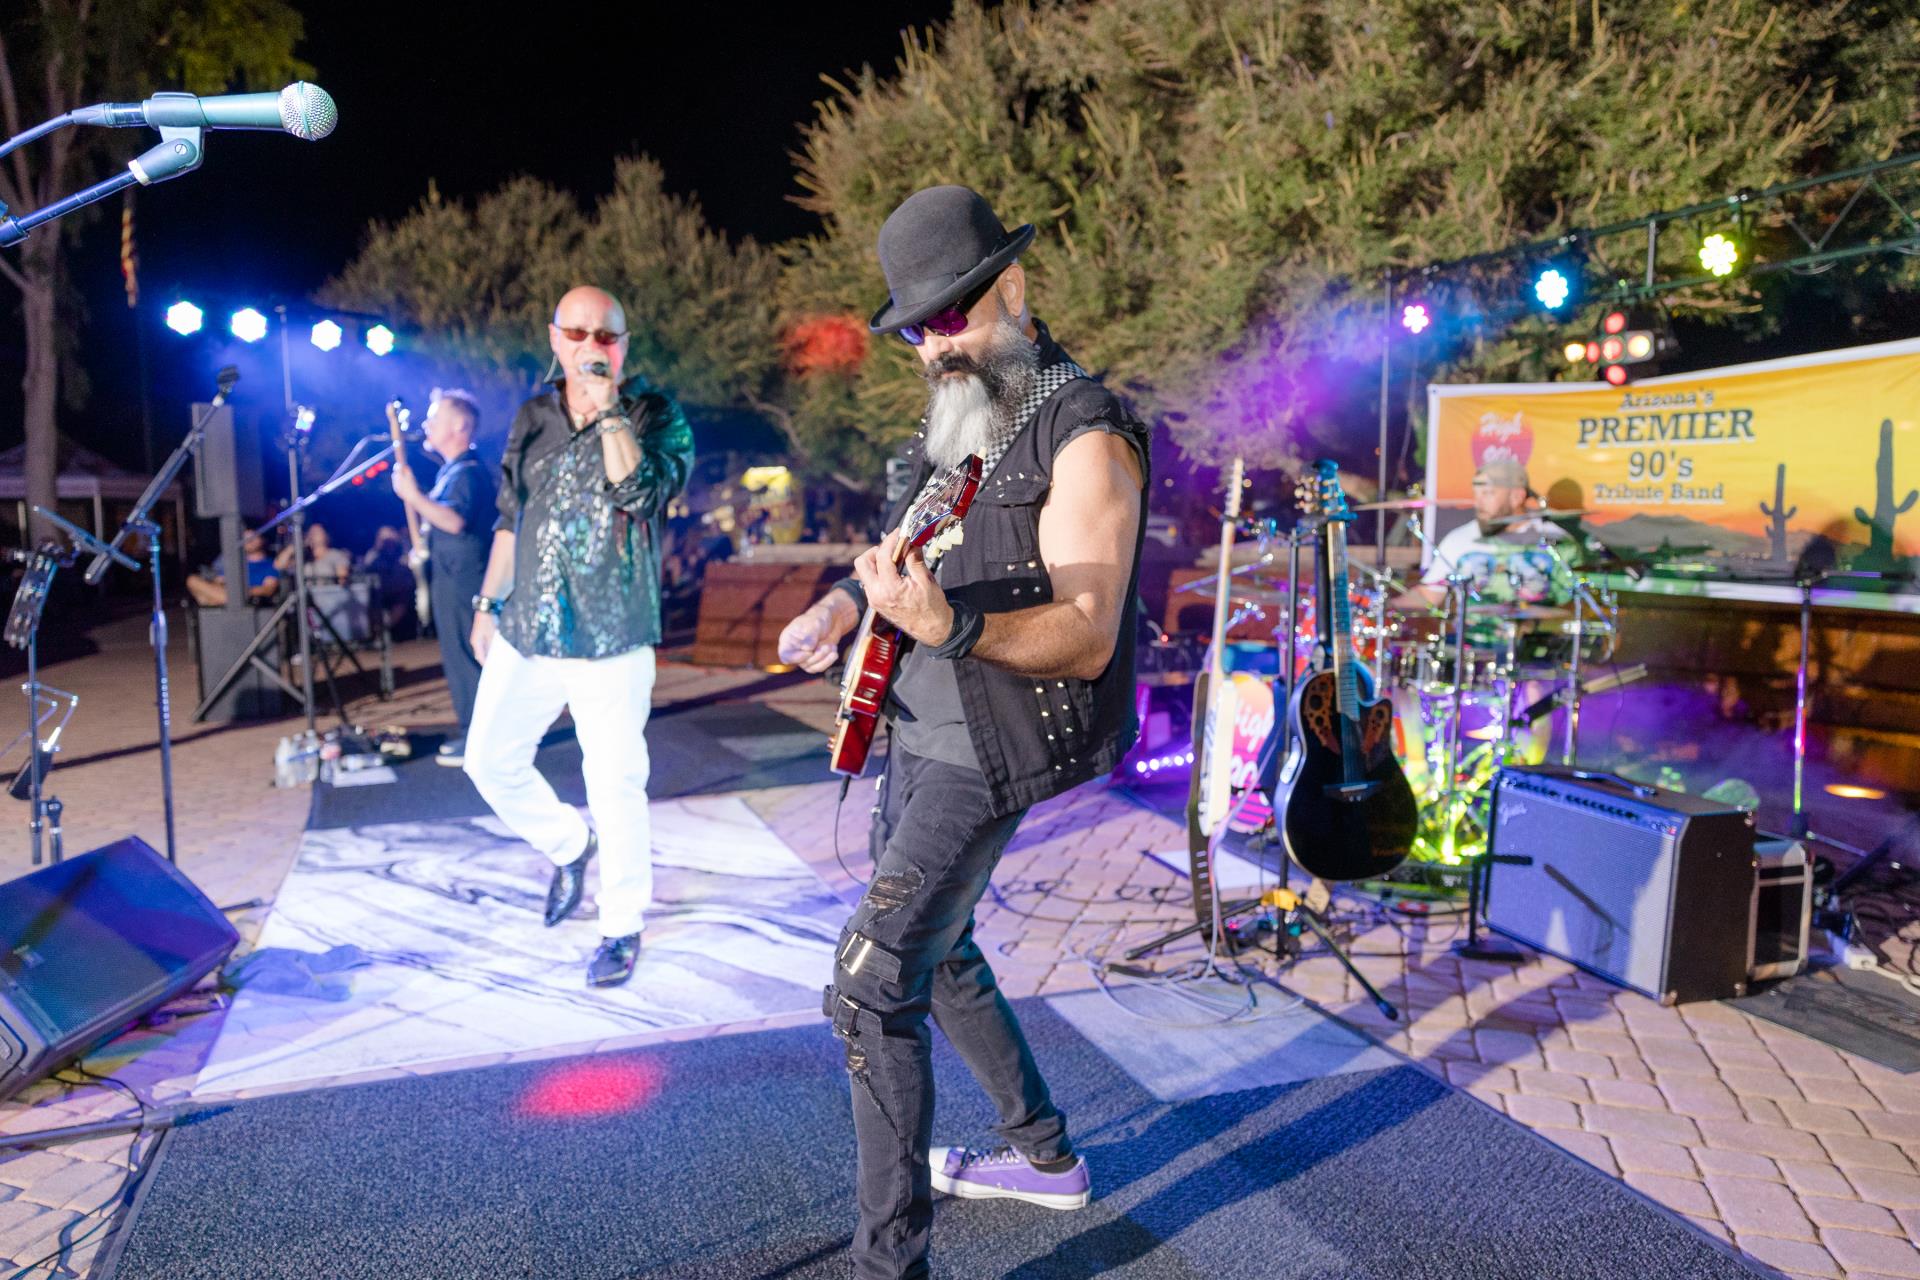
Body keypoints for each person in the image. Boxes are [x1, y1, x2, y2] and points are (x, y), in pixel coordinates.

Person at [776, 185, 1150, 1280]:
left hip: (988, 749)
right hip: (916, 729)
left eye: (954, 315)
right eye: (920, 327)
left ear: (1015, 291)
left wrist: (951, 622)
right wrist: (840, 611)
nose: (938, 342)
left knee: (865, 985)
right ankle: (1045, 1156)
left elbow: (1086, 633)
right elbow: (906, 553)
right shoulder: (968, 423)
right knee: (942, 955)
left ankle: (888, 1264)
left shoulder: (1086, 435)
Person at [463, 287, 694, 988]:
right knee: (487, 759)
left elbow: (644, 495)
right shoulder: (532, 416)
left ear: (625, 344)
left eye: (609, 336)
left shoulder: (656, 414)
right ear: (555, 338)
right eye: (580, 333)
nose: (594, 346)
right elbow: (511, 515)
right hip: (529, 620)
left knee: (615, 781)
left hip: (613, 628)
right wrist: (487, 600)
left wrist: (611, 413)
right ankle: (569, 842)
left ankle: (621, 924)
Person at [392, 389, 495, 767]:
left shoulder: (467, 473)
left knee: (468, 656)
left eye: (434, 418)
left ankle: (481, 738)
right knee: (459, 656)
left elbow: (454, 520)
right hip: (452, 576)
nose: (426, 425)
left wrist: (413, 495)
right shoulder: (452, 472)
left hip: (465, 580)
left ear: (459, 426)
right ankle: (475, 733)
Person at [186, 530, 279, 607]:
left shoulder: (270, 564)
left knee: (205, 598)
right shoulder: (234, 561)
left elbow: (268, 589)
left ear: (262, 539)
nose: (248, 541)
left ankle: (215, 601)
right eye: (245, 538)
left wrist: (245, 592)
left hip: (246, 597)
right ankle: (218, 600)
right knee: (192, 580)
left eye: (252, 537)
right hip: (224, 592)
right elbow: (219, 580)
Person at [274, 522, 351, 585]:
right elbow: (278, 566)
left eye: (317, 532)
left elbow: (342, 580)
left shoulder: (336, 555)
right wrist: (293, 547)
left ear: (326, 535)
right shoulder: (304, 556)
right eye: (311, 532)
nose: (312, 535)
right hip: (306, 599)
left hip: (329, 598)